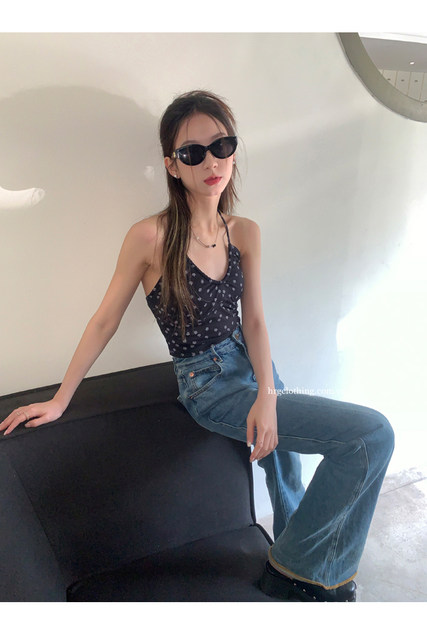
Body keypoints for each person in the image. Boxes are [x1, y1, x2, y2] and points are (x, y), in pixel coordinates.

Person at [0, 89, 394, 602]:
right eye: (193, 152)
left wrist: (268, 393)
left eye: (222, 146)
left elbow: (255, 320)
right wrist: (59, 399)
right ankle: (303, 572)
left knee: (285, 464)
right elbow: (104, 321)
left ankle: (294, 559)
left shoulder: (245, 232)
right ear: (172, 165)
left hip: (253, 364)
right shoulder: (150, 237)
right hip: (207, 383)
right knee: (369, 437)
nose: (211, 162)